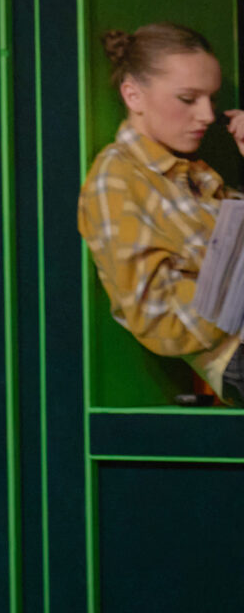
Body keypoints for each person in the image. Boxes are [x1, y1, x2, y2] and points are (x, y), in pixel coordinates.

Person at [78, 22, 244, 404]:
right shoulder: (115, 178)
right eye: (188, 99)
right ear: (133, 95)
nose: (207, 115)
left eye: (211, 99)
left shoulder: (195, 174)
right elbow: (159, 318)